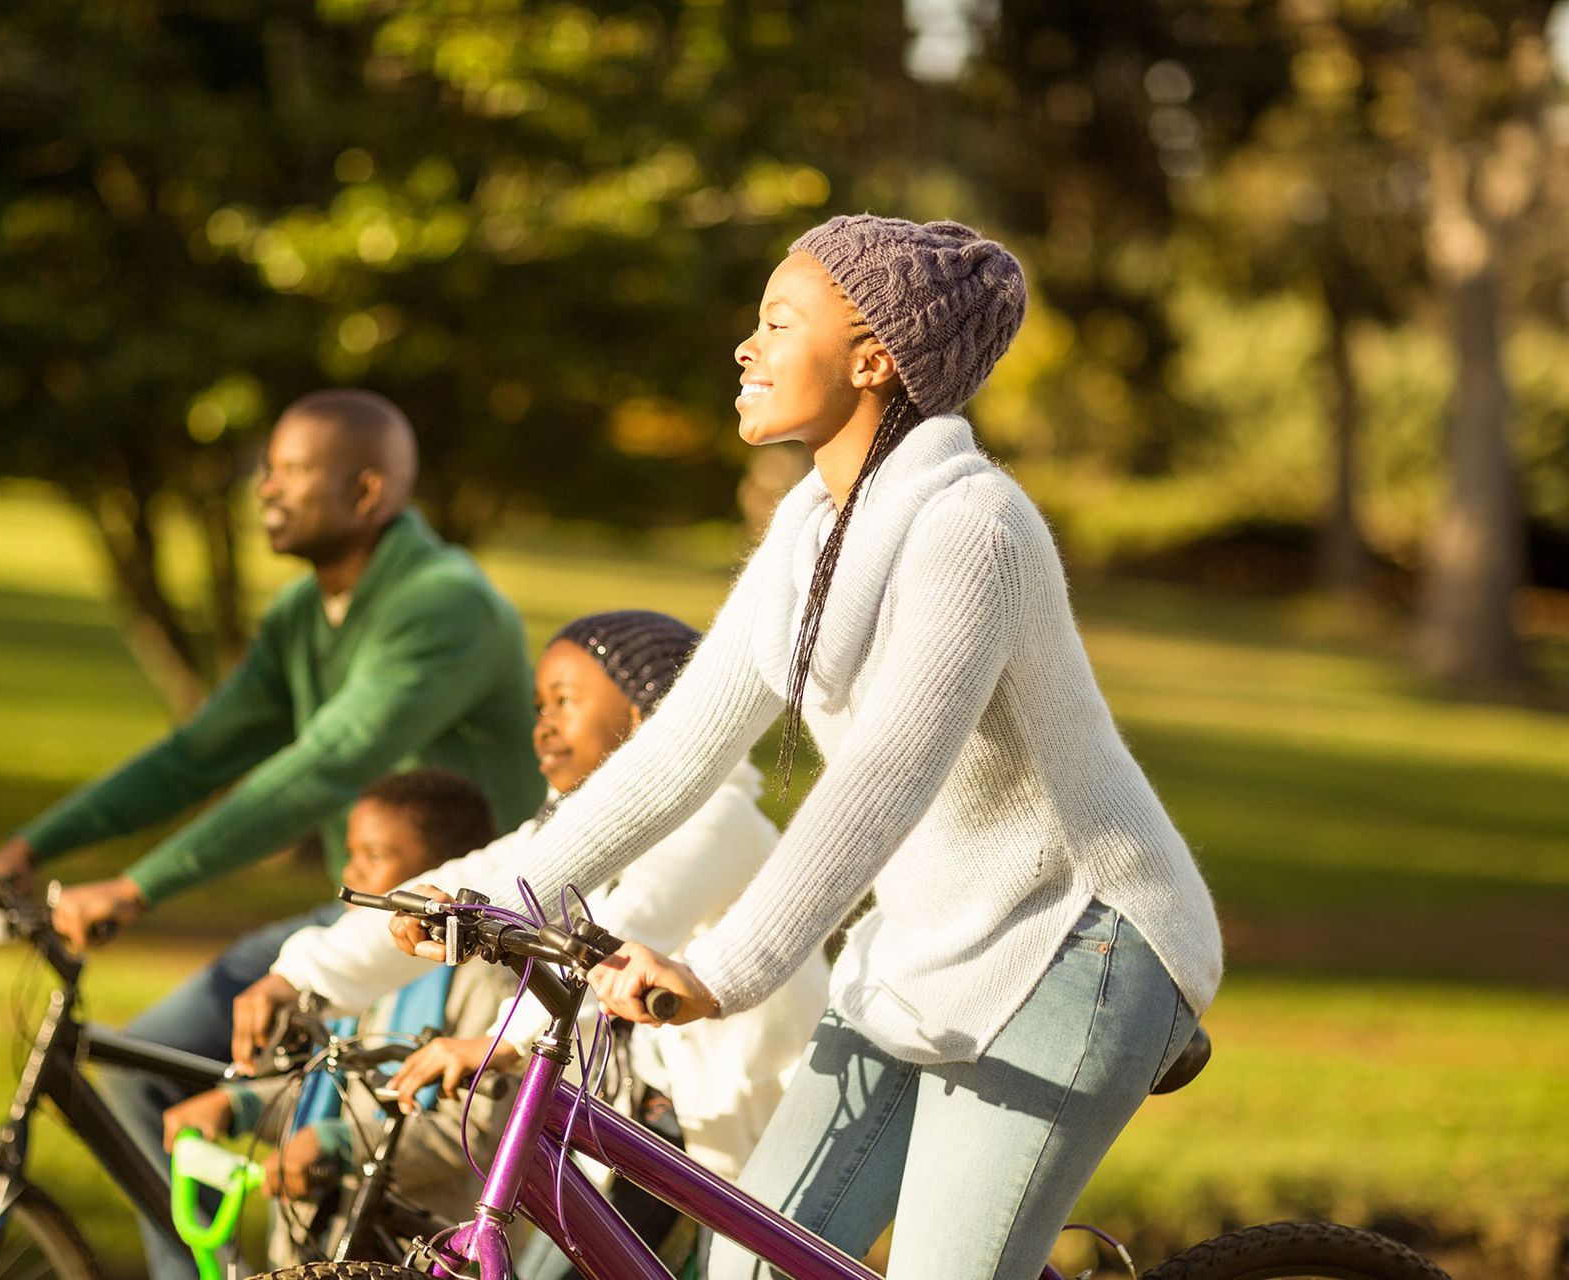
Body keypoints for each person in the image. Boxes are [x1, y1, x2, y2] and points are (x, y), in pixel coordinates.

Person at [425, 217, 1224, 1280]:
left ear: (872, 358)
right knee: (751, 1265)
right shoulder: (809, 529)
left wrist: (724, 966)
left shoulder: (973, 526)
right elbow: (674, 759)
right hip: (924, 947)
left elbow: (885, 776)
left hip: (1082, 946)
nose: (744, 348)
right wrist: (485, 888)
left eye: (777, 320)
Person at [0, 388, 544, 1280]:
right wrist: (37, 844)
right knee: (142, 1066)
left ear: (366, 493)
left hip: (458, 939)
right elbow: (199, 754)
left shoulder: (443, 605)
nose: (266, 487)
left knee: (358, 1132)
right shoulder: (305, 616)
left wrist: (137, 887)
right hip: (365, 910)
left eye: (293, 470)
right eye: (265, 467)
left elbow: (325, 762)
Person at [234, 611, 828, 1264]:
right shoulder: (574, 829)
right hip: (627, 1127)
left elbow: (624, 936)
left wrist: (495, 1043)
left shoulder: (718, 823)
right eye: (539, 704)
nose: (542, 723)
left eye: (566, 702)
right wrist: (303, 976)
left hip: (722, 1133)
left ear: (648, 717)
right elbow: (479, 880)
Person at [160, 770, 520, 1264]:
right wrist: (239, 1106)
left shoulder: (484, 982)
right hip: (320, 1245)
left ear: (443, 875)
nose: (353, 876)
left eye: (375, 857)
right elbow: (330, 1088)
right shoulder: (354, 975)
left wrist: (339, 1145)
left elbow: (476, 1138)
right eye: (351, 854)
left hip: (419, 1253)